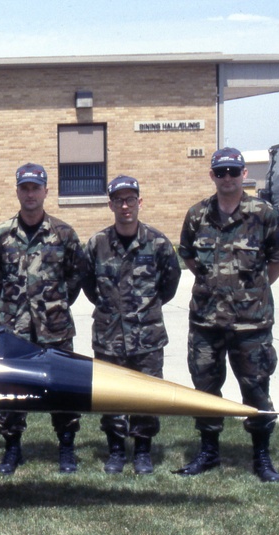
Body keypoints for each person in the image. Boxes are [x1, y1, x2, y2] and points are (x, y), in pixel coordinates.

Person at [175, 147, 279, 482]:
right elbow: (190, 258)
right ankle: (209, 452)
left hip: (250, 324)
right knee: (205, 388)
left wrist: (253, 290)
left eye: (233, 171)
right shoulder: (197, 215)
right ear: (212, 175)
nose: (227, 178)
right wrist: (216, 287)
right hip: (206, 322)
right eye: (221, 172)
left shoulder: (263, 213)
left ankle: (262, 456)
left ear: (243, 174)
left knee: (255, 389)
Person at [0, 163, 88, 474]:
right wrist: (15, 304)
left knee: (63, 386)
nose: (30, 194)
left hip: (55, 326)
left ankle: (67, 447)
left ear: (46, 191)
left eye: (35, 188)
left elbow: (75, 276)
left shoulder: (64, 234)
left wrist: (52, 305)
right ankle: (12, 448)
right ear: (17, 191)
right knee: (11, 389)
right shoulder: (2, 234)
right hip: (14, 327)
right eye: (24, 188)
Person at [82, 175, 181, 474]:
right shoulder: (97, 244)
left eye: (130, 199)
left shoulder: (159, 243)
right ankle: (115, 450)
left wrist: (143, 311)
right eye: (119, 200)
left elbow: (169, 285)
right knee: (110, 394)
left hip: (146, 337)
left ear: (140, 202)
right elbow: (87, 285)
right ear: (110, 204)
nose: (125, 206)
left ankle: (142, 451)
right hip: (109, 335)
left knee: (147, 395)